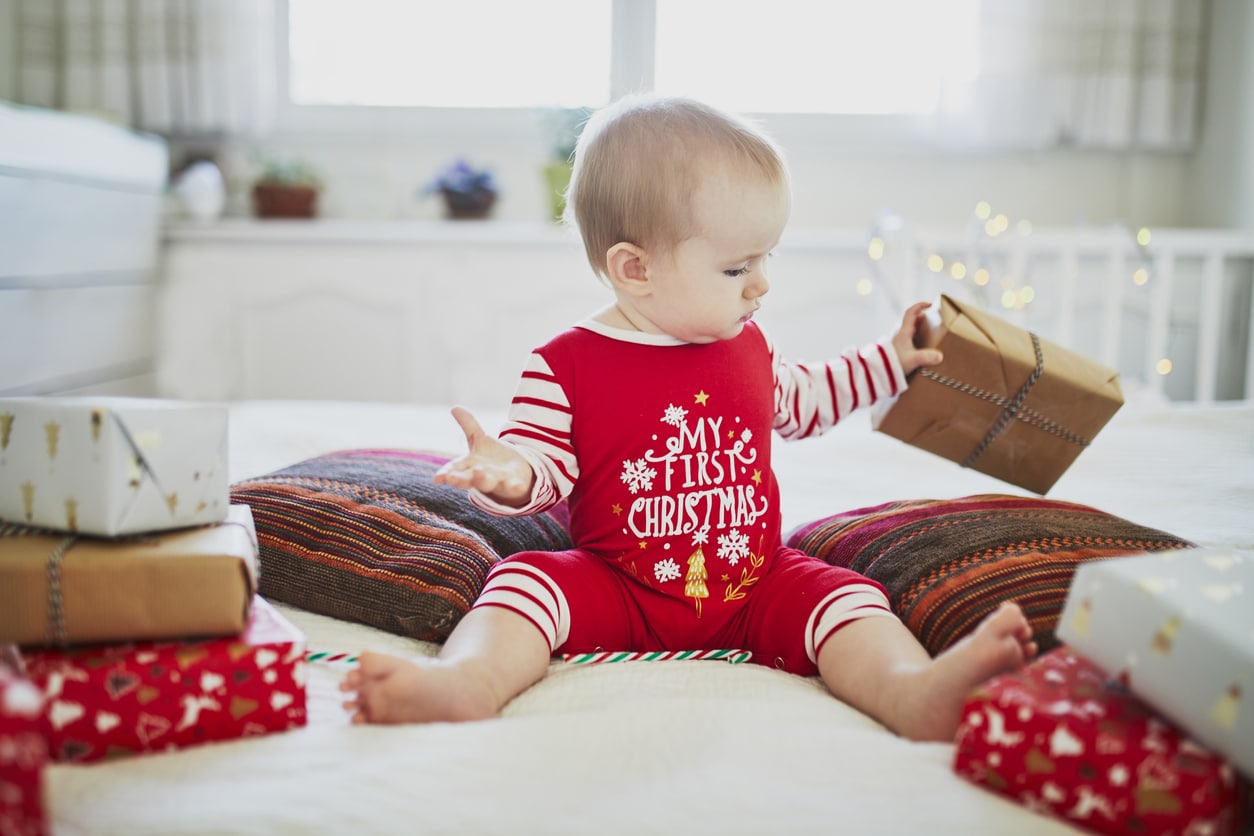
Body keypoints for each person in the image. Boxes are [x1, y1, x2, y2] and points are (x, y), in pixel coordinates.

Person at [341, 94, 1037, 741]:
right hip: (619, 585)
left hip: (752, 583)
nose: (761, 284)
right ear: (635, 269)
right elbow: (545, 461)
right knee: (523, 582)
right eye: (738, 268)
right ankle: (468, 680)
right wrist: (512, 472)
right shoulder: (568, 362)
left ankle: (911, 691)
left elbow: (807, 399)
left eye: (764, 260)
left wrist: (891, 361)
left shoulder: (746, 347)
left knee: (847, 597)